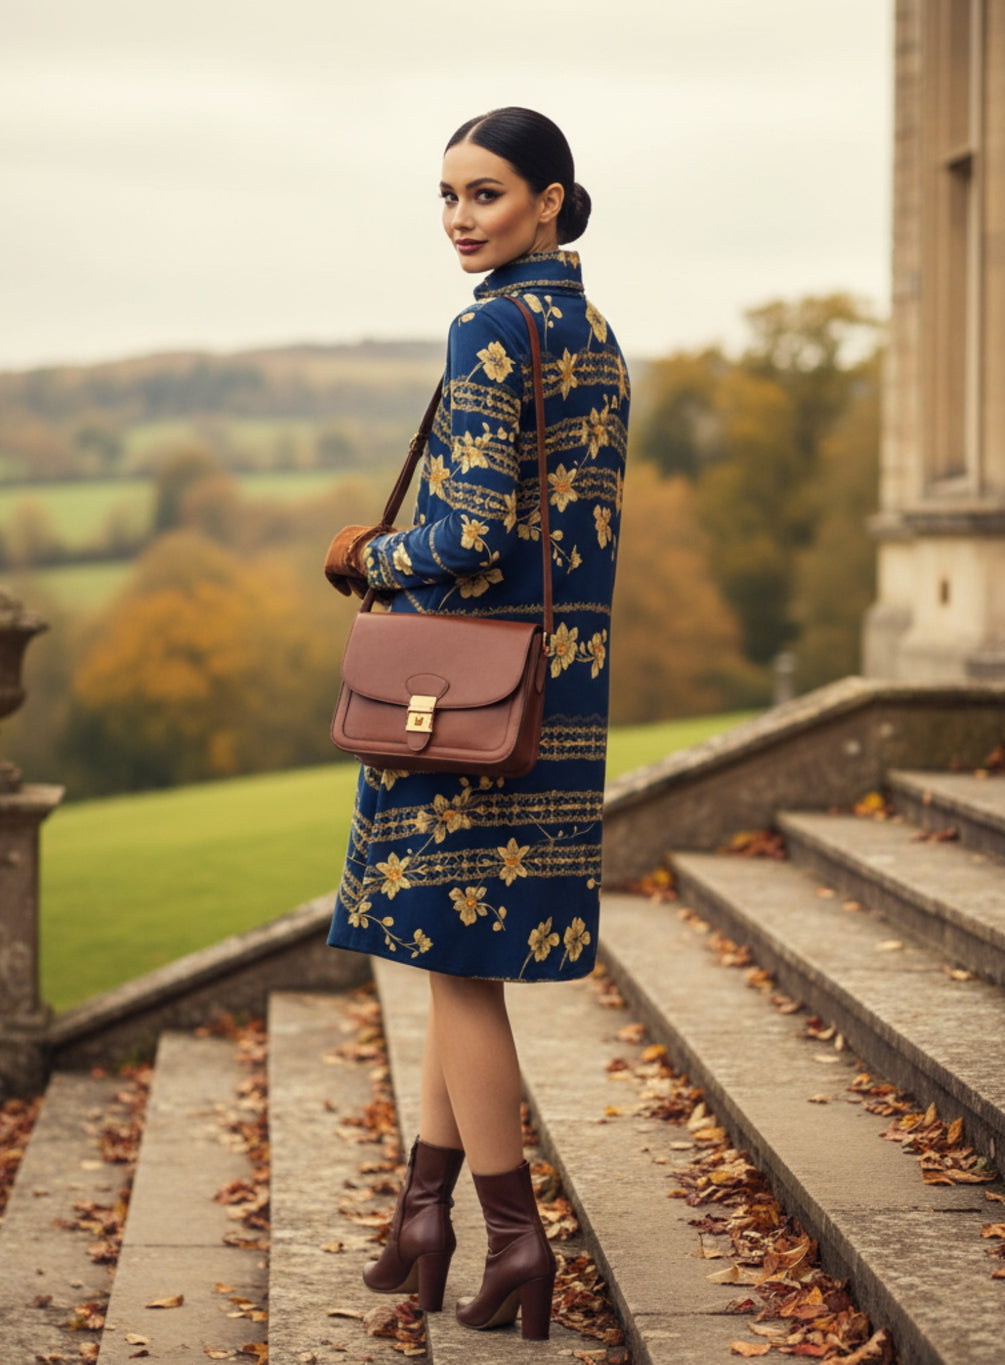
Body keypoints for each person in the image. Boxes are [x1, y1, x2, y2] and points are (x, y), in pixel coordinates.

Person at [323, 106, 629, 1341]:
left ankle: (513, 1241)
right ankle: (422, 1219)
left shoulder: (489, 325)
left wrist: (369, 555)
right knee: (458, 959)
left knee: (454, 970)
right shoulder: (594, 332)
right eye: (447, 196)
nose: (460, 218)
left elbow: (472, 530)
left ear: (549, 200)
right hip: (554, 690)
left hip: (457, 696)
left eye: (486, 193)